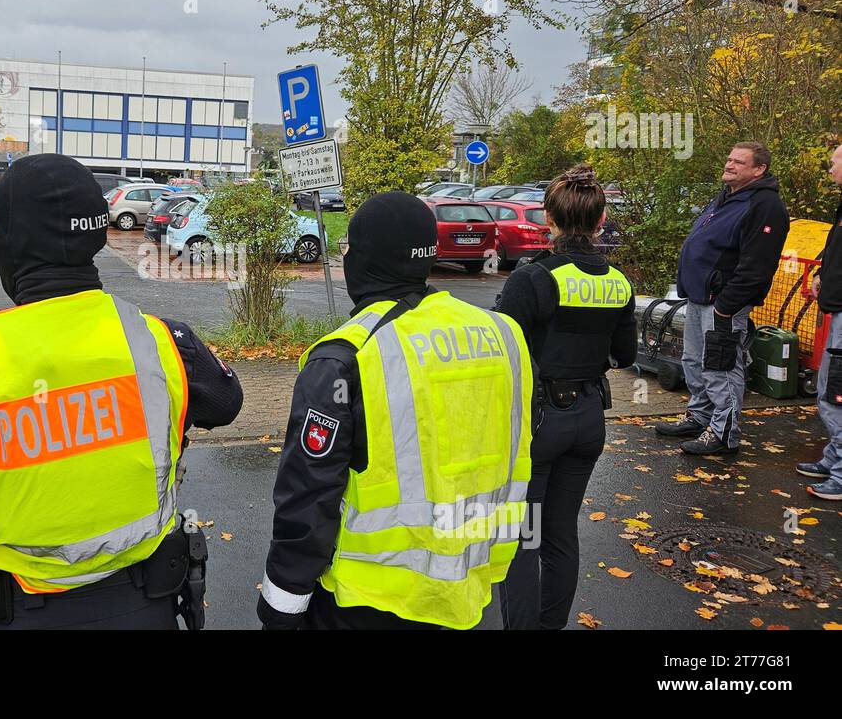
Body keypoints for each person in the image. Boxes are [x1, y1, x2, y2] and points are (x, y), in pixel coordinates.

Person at [0, 153, 242, 630]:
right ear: (96, 234)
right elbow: (226, 403)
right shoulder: (160, 340)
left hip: (11, 608)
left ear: (9, 244)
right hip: (141, 603)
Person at [257, 191, 533, 630]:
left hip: (370, 599)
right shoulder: (503, 334)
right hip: (468, 583)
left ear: (366, 258)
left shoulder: (347, 355)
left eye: (349, 247)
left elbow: (309, 493)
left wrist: (282, 602)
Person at [493, 166, 638, 630]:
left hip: (538, 424)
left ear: (548, 218)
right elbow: (625, 355)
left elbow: (503, 350)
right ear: (601, 221)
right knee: (559, 534)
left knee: (524, 536)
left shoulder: (533, 277)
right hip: (589, 420)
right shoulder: (619, 282)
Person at [656, 142, 789, 455]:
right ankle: (700, 416)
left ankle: (723, 433)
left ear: (759, 169)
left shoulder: (765, 205)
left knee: (721, 368)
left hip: (723, 305)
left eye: (739, 162)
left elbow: (757, 266)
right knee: (693, 361)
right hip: (699, 298)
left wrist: (727, 306)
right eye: (729, 159)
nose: (730, 165)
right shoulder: (726, 197)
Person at [802, 143, 842, 501]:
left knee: (837, 392)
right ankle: (833, 459)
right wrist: (820, 274)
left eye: (834, 163)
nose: (829, 169)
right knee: (828, 388)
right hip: (836, 308)